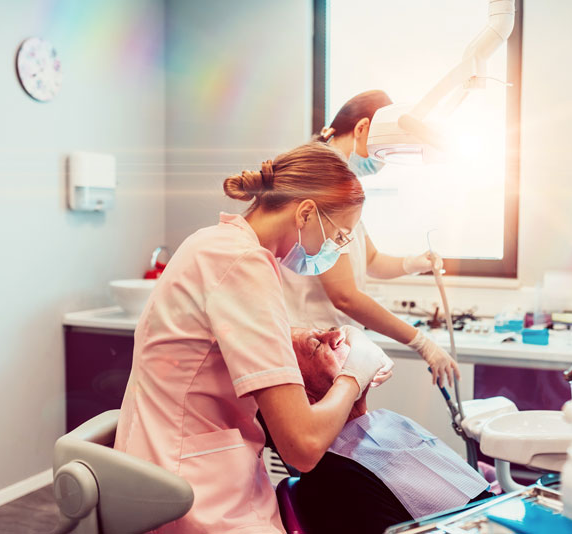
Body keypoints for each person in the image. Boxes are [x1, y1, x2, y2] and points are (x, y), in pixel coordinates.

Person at [113, 143, 391, 533]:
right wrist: (356, 371)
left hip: (169, 463)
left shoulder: (213, 242)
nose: (335, 249)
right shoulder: (244, 263)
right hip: (191, 493)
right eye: (340, 236)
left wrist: (307, 338)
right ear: (306, 212)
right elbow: (302, 447)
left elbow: (209, 345)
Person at [282, 90, 461, 388]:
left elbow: (371, 261)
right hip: (312, 347)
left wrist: (413, 263)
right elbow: (345, 295)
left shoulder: (344, 190)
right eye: (382, 149)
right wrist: (421, 342)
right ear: (362, 128)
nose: (383, 161)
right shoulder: (325, 184)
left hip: (333, 347)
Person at [286, 327, 494, 534]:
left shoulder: (383, 421)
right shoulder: (333, 477)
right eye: (316, 345)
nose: (337, 336)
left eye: (328, 329)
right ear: (306, 398)